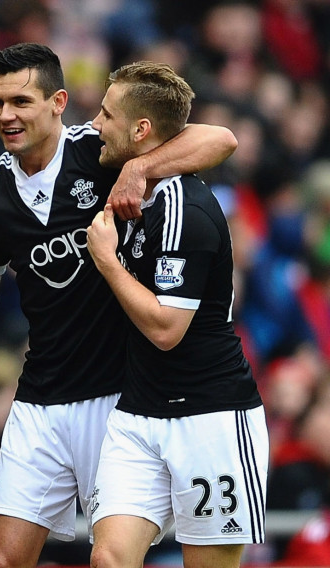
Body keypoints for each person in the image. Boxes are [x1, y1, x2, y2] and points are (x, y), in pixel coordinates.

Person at [0, 42, 238, 568]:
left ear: (58, 101)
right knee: (2, 561)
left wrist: (142, 169)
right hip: (39, 398)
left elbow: (219, 139)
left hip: (115, 397)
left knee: (110, 559)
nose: (6, 115)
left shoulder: (101, 151)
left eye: (21, 101)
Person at [85, 61, 268, 568]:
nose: (95, 123)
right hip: (139, 411)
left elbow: (167, 329)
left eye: (105, 113)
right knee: (108, 559)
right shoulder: (123, 168)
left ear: (140, 130)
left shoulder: (187, 211)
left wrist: (106, 260)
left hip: (210, 417)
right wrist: (136, 167)